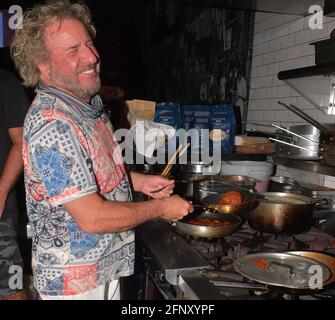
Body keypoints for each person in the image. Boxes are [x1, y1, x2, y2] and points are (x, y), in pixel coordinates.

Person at [10, 0, 193, 300]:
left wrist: (139, 182)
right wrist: (160, 208)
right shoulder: (52, 123)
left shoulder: (85, 106)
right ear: (42, 66)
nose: (92, 56)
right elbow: (92, 217)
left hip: (101, 269)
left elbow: (89, 176)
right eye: (73, 50)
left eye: (89, 43)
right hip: (75, 283)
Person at [0, 68, 29, 300]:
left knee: (12, 288)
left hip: (0, 213)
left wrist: (0, 192)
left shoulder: (5, 81)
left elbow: (22, 143)